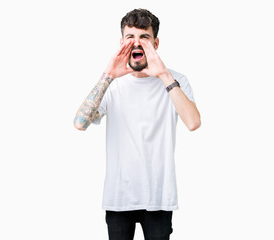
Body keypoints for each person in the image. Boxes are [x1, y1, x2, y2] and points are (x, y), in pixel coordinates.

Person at [73, 8, 201, 240]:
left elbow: (193, 123)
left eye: (144, 37)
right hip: (119, 198)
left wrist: (163, 75)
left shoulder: (176, 80)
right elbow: (80, 123)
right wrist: (108, 75)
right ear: (122, 42)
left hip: (159, 198)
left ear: (156, 43)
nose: (137, 42)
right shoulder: (112, 83)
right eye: (130, 37)